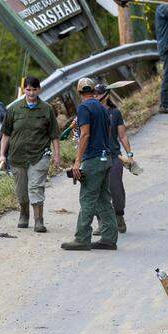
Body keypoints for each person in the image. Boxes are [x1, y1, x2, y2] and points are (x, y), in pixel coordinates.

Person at [61, 78, 119, 251]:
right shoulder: (103, 108)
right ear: (93, 91)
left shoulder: (84, 108)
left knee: (87, 198)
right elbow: (108, 131)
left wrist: (77, 161)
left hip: (92, 159)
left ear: (79, 93)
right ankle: (109, 237)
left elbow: (85, 134)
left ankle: (82, 238)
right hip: (105, 157)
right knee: (103, 199)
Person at [0, 77, 60, 233]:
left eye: (34, 89)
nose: (31, 93)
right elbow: (5, 135)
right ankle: (24, 214)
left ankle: (39, 221)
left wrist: (57, 156)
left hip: (39, 156)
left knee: (36, 187)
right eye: (28, 89)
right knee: (21, 191)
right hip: (17, 157)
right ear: (24, 89)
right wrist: (2, 155)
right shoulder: (13, 109)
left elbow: (54, 135)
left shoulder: (47, 109)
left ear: (39, 90)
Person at [91, 83, 134, 235]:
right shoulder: (90, 112)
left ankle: (119, 218)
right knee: (96, 190)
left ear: (106, 95)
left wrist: (129, 155)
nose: (95, 96)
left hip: (113, 155)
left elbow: (122, 135)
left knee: (115, 188)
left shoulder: (115, 113)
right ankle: (102, 223)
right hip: (95, 156)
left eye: (98, 93)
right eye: (93, 93)